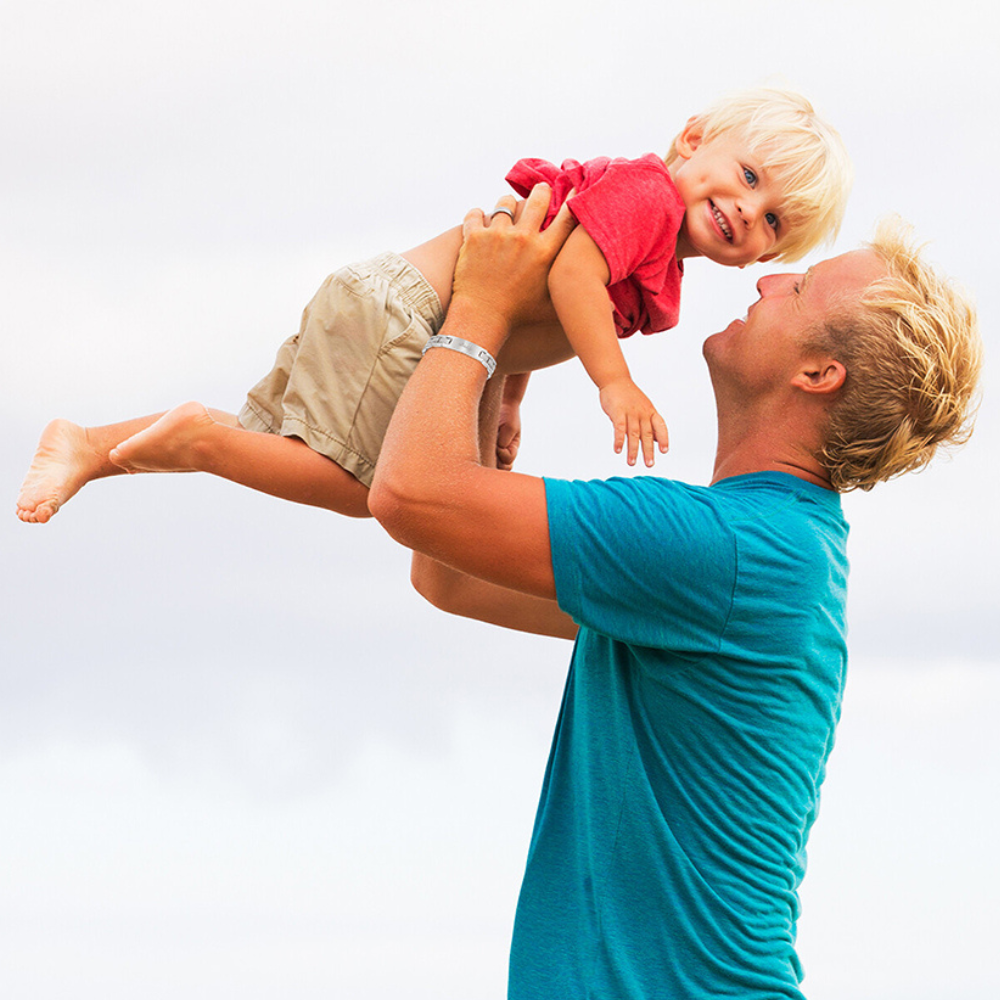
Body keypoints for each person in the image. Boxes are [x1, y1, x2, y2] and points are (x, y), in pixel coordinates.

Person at [368, 185, 982, 998]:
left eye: (796, 288)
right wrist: (505, 348)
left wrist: (482, 304)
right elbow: (447, 569)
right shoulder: (763, 549)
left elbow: (409, 493)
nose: (764, 280)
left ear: (817, 372)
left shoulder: (725, 551)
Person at [16, 86, 852, 524]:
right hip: (410, 317)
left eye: (772, 220)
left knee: (274, 440)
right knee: (361, 487)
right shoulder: (647, 200)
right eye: (748, 177)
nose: (748, 210)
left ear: (769, 254)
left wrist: (511, 397)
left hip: (405, 313)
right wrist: (614, 383)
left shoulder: (658, 237)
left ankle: (92, 444)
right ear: (694, 140)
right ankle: (191, 441)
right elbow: (565, 280)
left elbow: (544, 291)